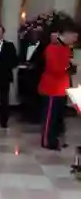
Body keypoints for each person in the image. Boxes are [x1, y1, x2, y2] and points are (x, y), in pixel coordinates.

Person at [38, 21, 78, 150]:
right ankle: (47, 141)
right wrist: (70, 66)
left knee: (58, 117)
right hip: (52, 88)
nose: (75, 39)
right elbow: (55, 68)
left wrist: (71, 67)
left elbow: (68, 67)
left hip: (61, 88)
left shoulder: (66, 48)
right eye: (74, 36)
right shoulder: (52, 47)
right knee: (50, 117)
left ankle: (55, 139)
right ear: (66, 34)